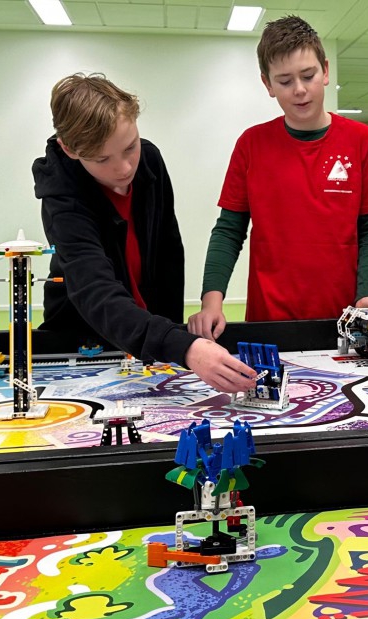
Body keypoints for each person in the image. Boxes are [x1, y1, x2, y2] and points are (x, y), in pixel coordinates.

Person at [33, 73, 255, 393]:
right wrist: (183, 347)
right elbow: (95, 291)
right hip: (85, 340)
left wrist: (170, 339)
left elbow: (168, 253)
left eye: (130, 147)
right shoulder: (62, 198)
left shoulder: (149, 159)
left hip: (149, 337)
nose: (124, 168)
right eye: (102, 159)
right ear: (68, 149)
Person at [189, 15, 368, 341]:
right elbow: (228, 230)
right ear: (267, 85)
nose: (299, 90)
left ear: (325, 71)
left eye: (308, 76)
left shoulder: (362, 141)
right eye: (284, 81)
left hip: (342, 320)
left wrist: (366, 294)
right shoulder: (251, 145)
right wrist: (211, 301)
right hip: (268, 322)